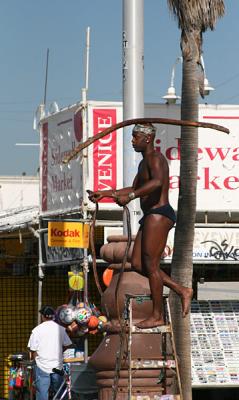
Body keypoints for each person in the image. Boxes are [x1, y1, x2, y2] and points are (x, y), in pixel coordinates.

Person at [88, 123, 193, 329]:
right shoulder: (144, 162)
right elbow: (134, 187)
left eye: (135, 137)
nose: (132, 140)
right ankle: (181, 290)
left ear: (147, 139)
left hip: (159, 215)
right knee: (137, 263)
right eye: (132, 137)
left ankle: (157, 315)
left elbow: (157, 183)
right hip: (150, 217)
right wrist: (107, 194)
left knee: (151, 266)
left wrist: (132, 196)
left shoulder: (156, 159)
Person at [28, 305, 72, 400]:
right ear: (53, 316)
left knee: (42, 393)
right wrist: (59, 351)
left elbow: (33, 350)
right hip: (57, 365)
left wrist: (36, 360)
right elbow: (68, 344)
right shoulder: (61, 329)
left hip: (42, 365)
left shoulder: (36, 330)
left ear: (43, 316)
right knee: (59, 392)